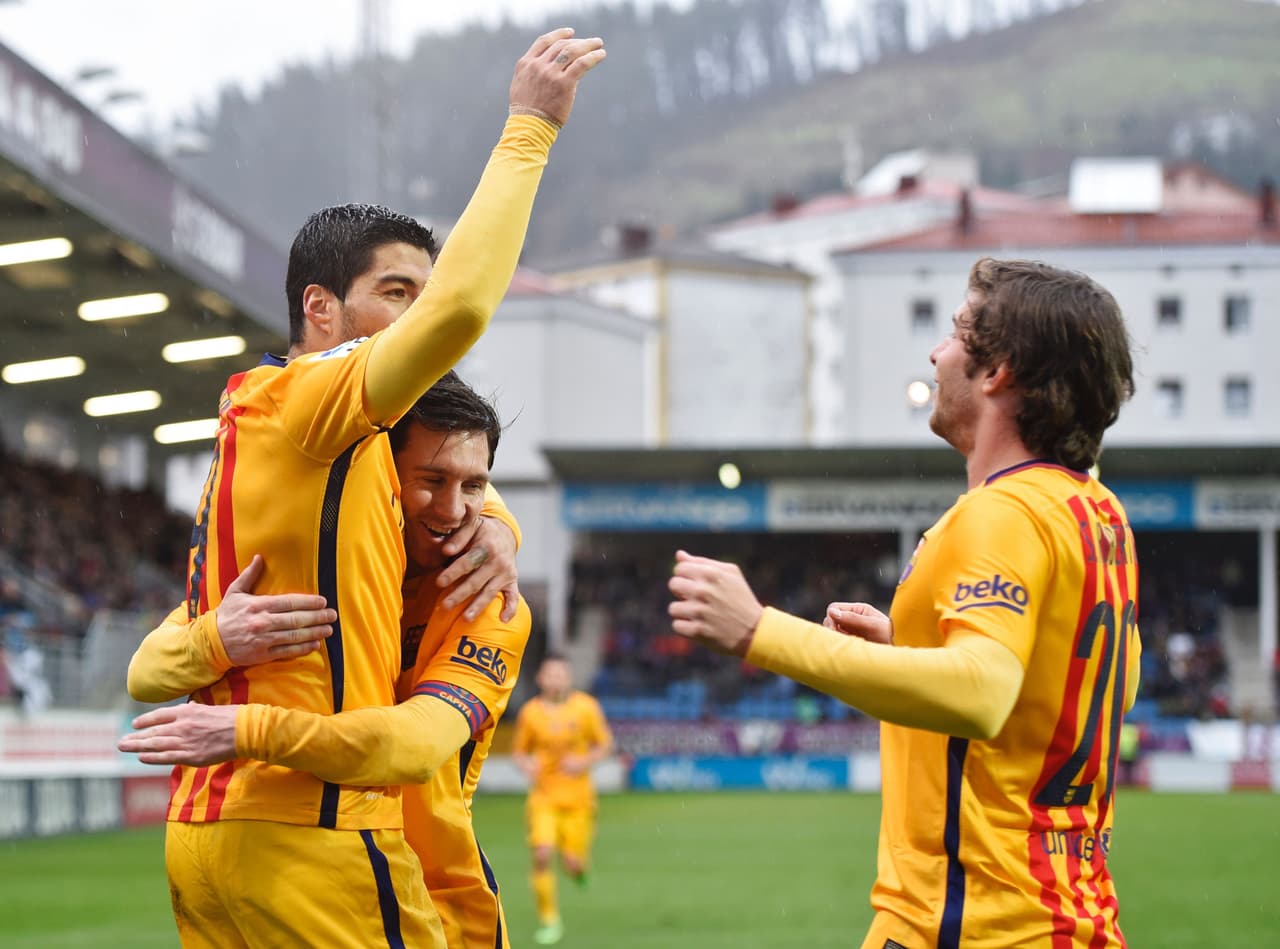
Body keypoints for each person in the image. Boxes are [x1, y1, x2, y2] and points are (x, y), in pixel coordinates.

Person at [126, 29, 606, 948]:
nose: (418, 320)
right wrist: (530, 129)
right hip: (319, 831)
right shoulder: (318, 400)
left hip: (213, 835)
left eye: (473, 487)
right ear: (320, 309)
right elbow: (465, 310)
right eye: (397, 293)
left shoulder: (302, 447)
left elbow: (150, 667)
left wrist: (496, 517)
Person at [669, 257, 1142, 948]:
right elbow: (1080, 693)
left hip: (972, 921)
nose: (936, 351)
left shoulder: (1001, 513)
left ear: (999, 369)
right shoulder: (1098, 514)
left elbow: (982, 691)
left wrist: (759, 630)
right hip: (1070, 919)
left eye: (955, 331)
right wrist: (907, 654)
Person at [123, 372, 529, 949]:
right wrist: (216, 639)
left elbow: (413, 748)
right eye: (432, 481)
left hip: (437, 905)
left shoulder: (491, 605)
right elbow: (145, 671)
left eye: (474, 488)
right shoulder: (325, 565)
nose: (455, 508)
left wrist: (249, 729)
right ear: (386, 480)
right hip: (296, 857)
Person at [511, 654, 613, 946]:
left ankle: (579, 871)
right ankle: (549, 920)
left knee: (572, 862)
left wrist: (582, 762)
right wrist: (526, 766)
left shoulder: (586, 708)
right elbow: (519, 751)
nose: (556, 680)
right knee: (542, 854)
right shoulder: (530, 713)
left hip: (578, 799)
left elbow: (604, 745)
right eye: (550, 675)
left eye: (561, 675)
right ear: (541, 679)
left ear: (569, 679)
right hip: (543, 797)